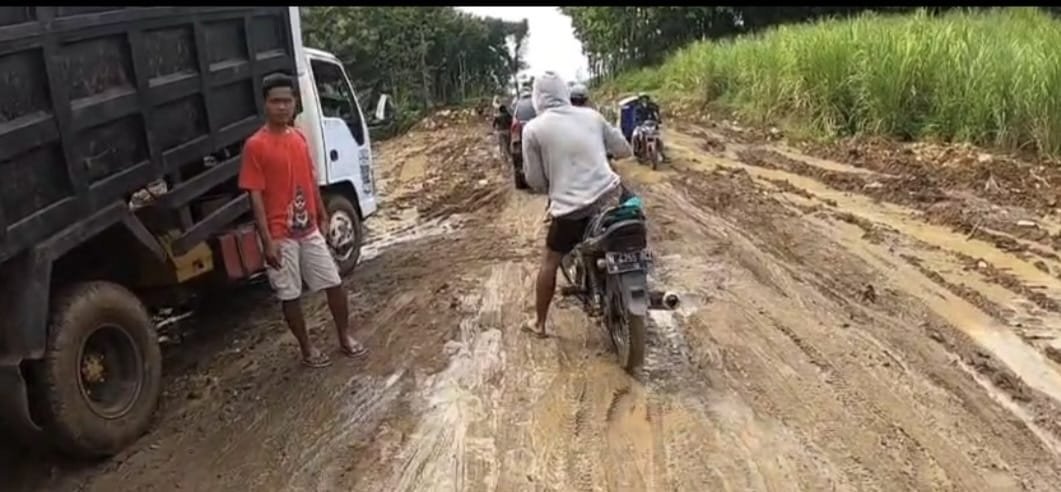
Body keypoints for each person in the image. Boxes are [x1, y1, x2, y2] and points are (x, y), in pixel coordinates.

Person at [239, 73, 368, 368]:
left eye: (287, 101)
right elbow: (255, 196)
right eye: (276, 101)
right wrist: (267, 241)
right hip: (279, 235)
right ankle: (307, 348)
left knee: (334, 283)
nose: (282, 107)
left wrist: (322, 214)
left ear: (295, 103)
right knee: (290, 295)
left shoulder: (298, 138)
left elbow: (310, 180)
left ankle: (344, 336)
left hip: (308, 230)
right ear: (265, 104)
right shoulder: (255, 145)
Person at [521, 71, 633, 338]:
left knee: (549, 261)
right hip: (612, 196)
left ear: (537, 98)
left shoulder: (533, 129)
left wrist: (555, 184)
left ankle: (539, 323)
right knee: (630, 230)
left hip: (572, 212)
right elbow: (624, 150)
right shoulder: (592, 116)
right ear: (564, 92)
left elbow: (535, 181)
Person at [631, 92, 667, 161]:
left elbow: (656, 113)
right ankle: (636, 152)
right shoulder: (637, 109)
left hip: (651, 126)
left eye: (645, 99)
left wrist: (658, 121)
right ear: (640, 100)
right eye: (642, 99)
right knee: (635, 136)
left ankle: (662, 154)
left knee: (659, 138)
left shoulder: (651, 107)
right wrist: (638, 123)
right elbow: (635, 118)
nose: (644, 100)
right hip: (641, 126)